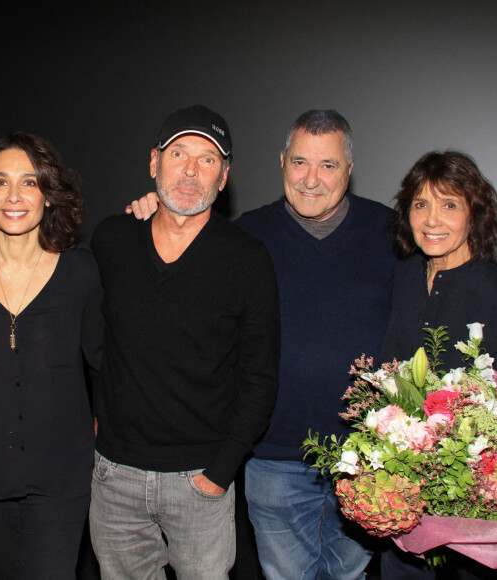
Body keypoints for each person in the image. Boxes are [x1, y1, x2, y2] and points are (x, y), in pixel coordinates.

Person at [129, 109, 397, 580]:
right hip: (273, 459)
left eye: (328, 165)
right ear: (281, 163)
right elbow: (171, 262)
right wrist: (150, 208)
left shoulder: (393, 234)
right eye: (299, 162)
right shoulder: (242, 236)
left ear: (350, 169)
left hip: (369, 460)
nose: (311, 179)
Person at [89, 105, 280, 580]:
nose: (191, 171)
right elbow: (93, 346)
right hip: (114, 477)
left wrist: (219, 473)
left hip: (200, 480)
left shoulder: (247, 259)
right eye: (178, 154)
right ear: (154, 162)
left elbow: (259, 377)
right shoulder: (112, 239)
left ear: (225, 175)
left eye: (208, 159)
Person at [0, 132, 102, 580]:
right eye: (0, 182)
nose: (14, 196)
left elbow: (106, 362)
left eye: (29, 182)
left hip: (62, 477)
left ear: (48, 195)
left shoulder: (81, 271)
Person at [379, 150, 497, 580]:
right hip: (404, 492)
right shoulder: (402, 275)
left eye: (449, 204)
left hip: (474, 505)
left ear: (474, 215)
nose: (432, 220)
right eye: (421, 204)